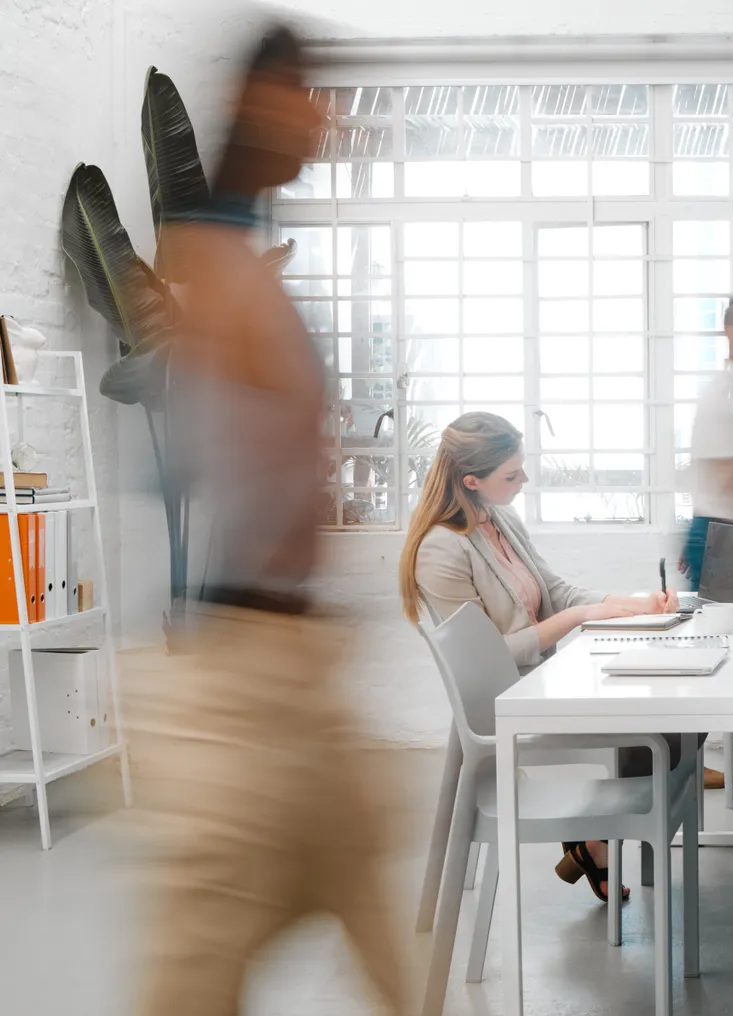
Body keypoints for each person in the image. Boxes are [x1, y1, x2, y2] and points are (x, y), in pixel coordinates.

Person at [132, 27, 408, 1016]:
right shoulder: (209, 259)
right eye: (311, 97)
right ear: (263, 104)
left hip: (299, 663)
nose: (327, 119)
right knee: (195, 967)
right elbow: (212, 460)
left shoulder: (239, 255)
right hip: (242, 672)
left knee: (381, 923)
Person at [397, 411, 729, 902]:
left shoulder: (499, 519)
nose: (524, 480)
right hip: (512, 699)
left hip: (542, 679)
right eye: (512, 474)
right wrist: (583, 617)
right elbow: (495, 655)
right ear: (471, 481)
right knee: (664, 716)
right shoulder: (440, 551)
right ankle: (604, 833)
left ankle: (602, 835)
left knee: (685, 704)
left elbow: (554, 589)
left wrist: (629, 605)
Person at [680, 296, 733, 588]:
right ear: (728, 329)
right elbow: (728, 475)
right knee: (715, 628)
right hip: (718, 533)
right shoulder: (716, 396)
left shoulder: (722, 391)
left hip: (713, 530)